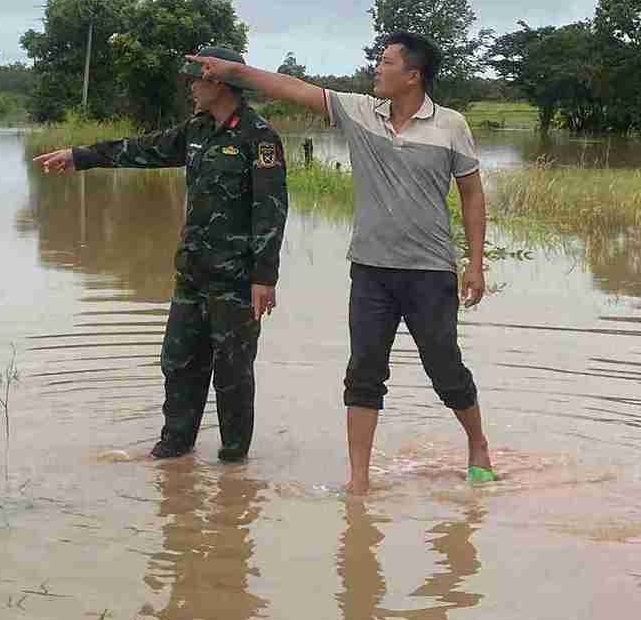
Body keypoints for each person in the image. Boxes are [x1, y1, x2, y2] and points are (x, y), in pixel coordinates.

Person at [186, 33, 494, 495]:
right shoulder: (360, 112)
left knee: (445, 369)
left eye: (386, 62)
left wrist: (475, 263)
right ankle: (359, 480)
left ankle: (478, 445)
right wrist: (232, 71)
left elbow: (472, 195)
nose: (376, 67)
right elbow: (292, 88)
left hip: (430, 271)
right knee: (364, 373)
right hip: (371, 271)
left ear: (413, 75)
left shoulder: (451, 126)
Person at [32, 45, 287, 463]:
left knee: (233, 372)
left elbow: (271, 211)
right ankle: (173, 450)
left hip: (236, 280)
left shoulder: (259, 138)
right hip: (192, 274)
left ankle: (233, 462)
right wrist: (81, 157)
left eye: (196, 79)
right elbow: (141, 149)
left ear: (219, 80)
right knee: (178, 361)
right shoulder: (197, 130)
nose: (190, 87)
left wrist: (265, 277)